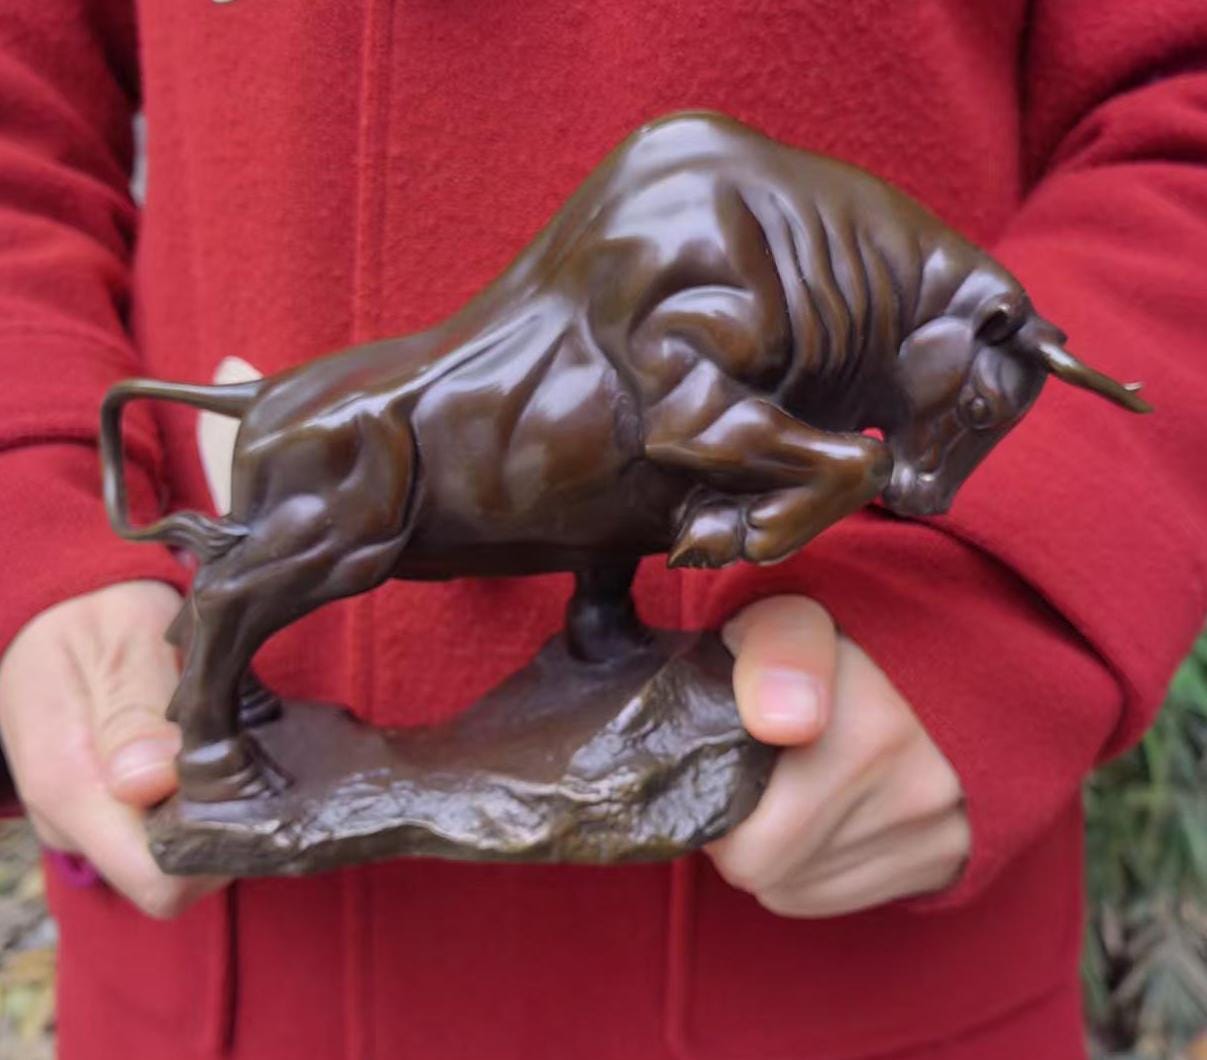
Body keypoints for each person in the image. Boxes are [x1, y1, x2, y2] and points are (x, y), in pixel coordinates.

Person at [0, 2, 1204, 1057]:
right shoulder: (714, 258)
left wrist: (995, 604)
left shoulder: (745, 242)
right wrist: (31, 513)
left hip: (842, 943)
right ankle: (242, 686)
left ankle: (594, 618)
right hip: (224, 968)